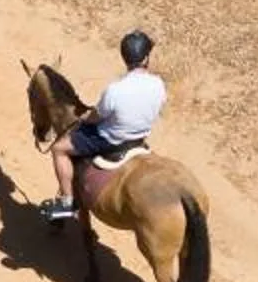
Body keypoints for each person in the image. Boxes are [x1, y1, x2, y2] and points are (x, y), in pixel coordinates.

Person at [41, 31, 165, 223]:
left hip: (111, 141)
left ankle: (67, 202)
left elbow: (96, 117)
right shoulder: (158, 84)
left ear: (125, 58)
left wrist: (85, 118)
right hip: (139, 138)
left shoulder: (115, 90)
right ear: (146, 58)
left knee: (59, 149)